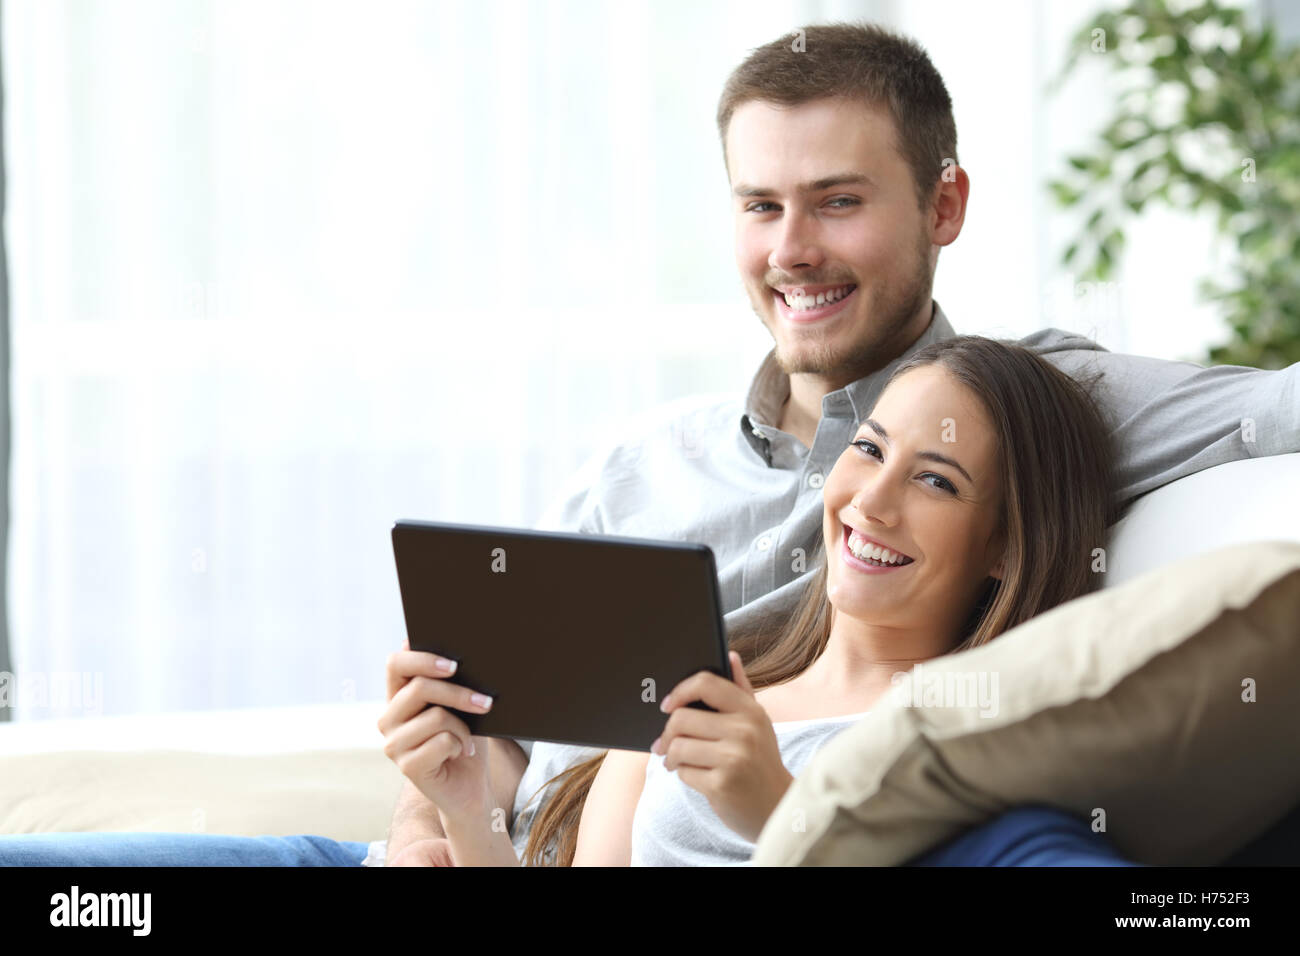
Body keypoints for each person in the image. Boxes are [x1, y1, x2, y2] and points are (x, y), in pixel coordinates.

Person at [3, 21, 1295, 867]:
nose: (793, 249)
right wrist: (439, 786)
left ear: (943, 203)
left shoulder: (1037, 408)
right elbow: (517, 737)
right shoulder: (647, 459)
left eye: (839, 204)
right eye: (761, 206)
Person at [380, 334, 1140, 866]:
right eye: (870, 449)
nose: (871, 501)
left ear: (1006, 546)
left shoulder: (961, 735)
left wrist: (779, 814)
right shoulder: (699, 688)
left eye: (935, 480)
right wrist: (463, 800)